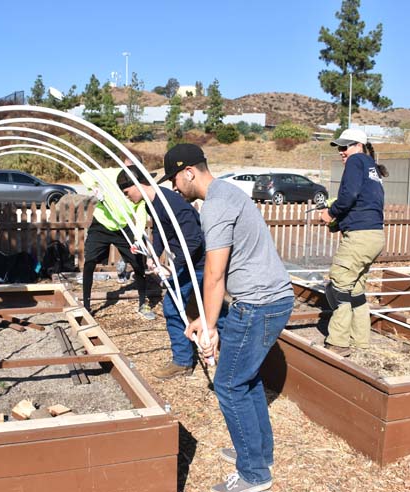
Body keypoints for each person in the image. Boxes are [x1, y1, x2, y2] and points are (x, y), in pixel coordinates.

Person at [165, 143, 294, 492]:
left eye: (176, 179)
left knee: (228, 384)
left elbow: (214, 274)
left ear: (189, 172)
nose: (175, 188)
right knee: (246, 380)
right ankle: (258, 454)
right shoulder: (227, 193)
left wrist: (208, 325)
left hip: (258, 305)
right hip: (269, 300)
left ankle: (254, 475)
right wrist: (205, 319)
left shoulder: (216, 205)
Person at [117, 164, 207, 379]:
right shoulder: (153, 204)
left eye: (127, 192)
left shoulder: (171, 204)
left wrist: (172, 267)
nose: (127, 197)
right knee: (205, 309)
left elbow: (193, 239)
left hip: (198, 264)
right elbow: (159, 229)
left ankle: (183, 362)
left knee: (174, 306)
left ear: (138, 184)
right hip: (187, 263)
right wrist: (155, 255)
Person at [319, 128, 387, 357]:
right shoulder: (371, 168)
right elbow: (363, 203)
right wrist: (340, 221)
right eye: (339, 147)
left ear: (358, 145)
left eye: (345, 146)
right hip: (374, 235)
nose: (341, 151)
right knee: (356, 289)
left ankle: (338, 341)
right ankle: (360, 341)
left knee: (338, 284)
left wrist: (331, 212)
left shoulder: (356, 161)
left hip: (360, 236)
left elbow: (349, 195)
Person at [79, 163, 155, 320]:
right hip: (101, 224)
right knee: (90, 261)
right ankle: (86, 304)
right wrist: (94, 188)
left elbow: (140, 216)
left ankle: (142, 303)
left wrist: (137, 239)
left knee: (137, 263)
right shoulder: (110, 173)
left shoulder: (138, 190)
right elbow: (84, 175)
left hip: (123, 226)